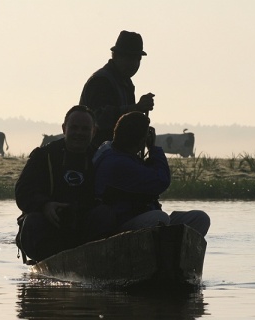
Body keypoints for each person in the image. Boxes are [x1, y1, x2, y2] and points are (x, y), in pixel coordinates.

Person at [87, 111, 210, 241]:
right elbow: (161, 181)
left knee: (200, 218)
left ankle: (177, 254)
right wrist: (154, 149)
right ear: (140, 141)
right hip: (122, 222)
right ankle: (160, 255)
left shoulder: (116, 151)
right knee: (159, 218)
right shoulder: (117, 162)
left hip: (140, 215)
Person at [15, 105, 97, 264]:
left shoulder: (101, 157)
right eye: (74, 128)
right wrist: (45, 205)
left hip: (85, 226)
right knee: (32, 221)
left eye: (85, 129)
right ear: (64, 128)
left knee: (104, 215)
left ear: (94, 131)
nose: (79, 133)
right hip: (49, 224)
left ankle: (96, 261)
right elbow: (22, 192)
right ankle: (45, 262)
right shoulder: (43, 155)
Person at [80, 30, 155, 149]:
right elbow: (99, 118)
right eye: (129, 58)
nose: (134, 64)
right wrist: (136, 109)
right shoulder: (101, 81)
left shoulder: (125, 83)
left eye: (137, 59)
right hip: (97, 154)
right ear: (115, 56)